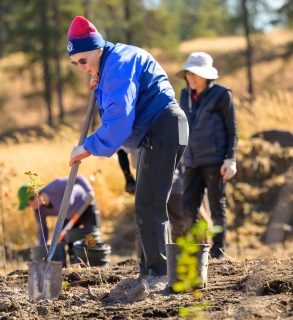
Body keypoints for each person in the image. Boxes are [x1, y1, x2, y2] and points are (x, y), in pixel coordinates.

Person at [66, 16, 188, 280]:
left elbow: (119, 120)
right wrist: (99, 85)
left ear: (97, 48)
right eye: (76, 64)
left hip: (162, 129)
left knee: (150, 205)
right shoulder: (112, 62)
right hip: (159, 131)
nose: (81, 68)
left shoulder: (118, 66)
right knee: (146, 205)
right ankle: (150, 272)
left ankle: (158, 274)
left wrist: (87, 147)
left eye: (84, 61)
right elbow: (120, 106)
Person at [176, 52, 238, 259]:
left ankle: (218, 252)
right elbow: (182, 126)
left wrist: (231, 159)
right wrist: (181, 154)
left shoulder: (222, 95)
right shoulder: (184, 95)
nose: (191, 78)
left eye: (195, 73)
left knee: (216, 207)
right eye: (188, 74)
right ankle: (191, 252)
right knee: (188, 209)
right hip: (192, 161)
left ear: (207, 75)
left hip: (215, 161)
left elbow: (232, 130)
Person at [17, 175, 101, 246]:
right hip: (70, 217)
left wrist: (89, 191)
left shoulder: (54, 187)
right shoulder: (39, 211)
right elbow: (43, 231)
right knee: (67, 242)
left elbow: (78, 177)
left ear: (34, 196)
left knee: (92, 240)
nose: (29, 207)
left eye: (28, 204)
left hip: (86, 206)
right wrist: (42, 249)